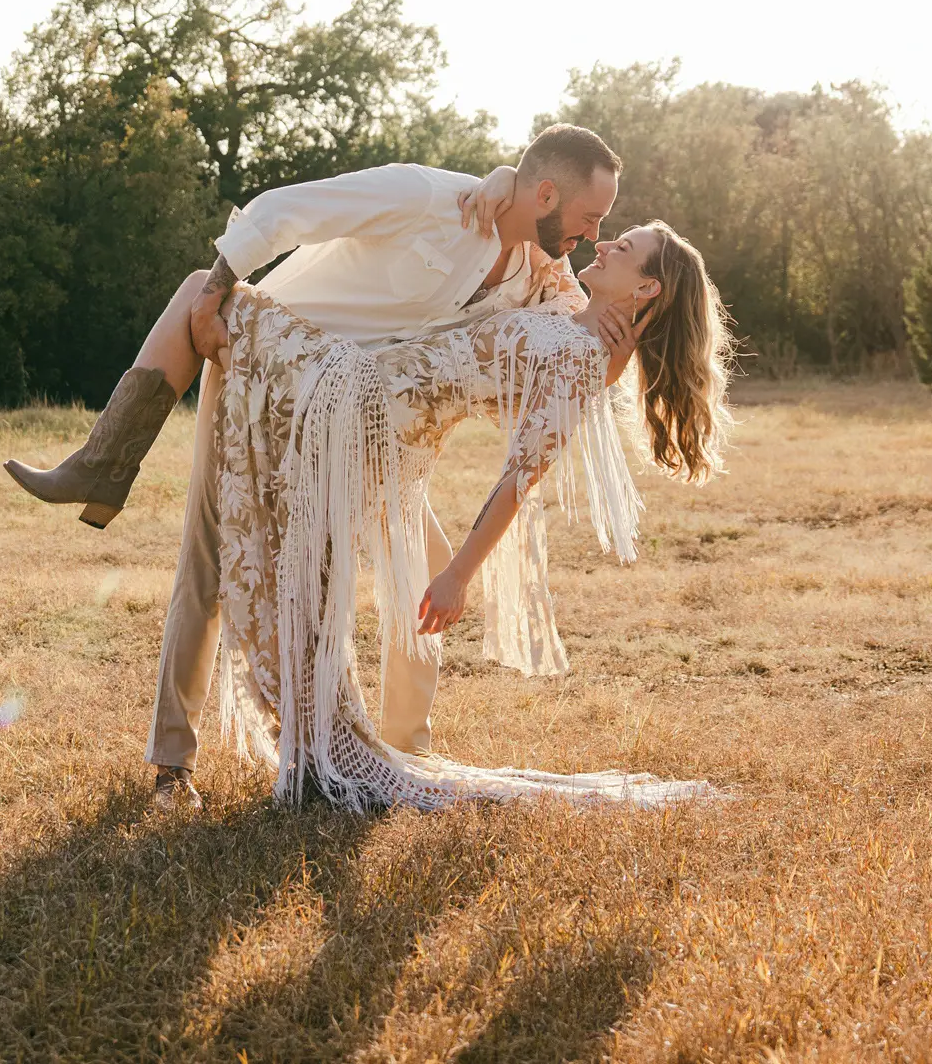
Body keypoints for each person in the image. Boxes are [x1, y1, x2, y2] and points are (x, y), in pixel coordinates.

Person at [4, 125, 635, 809]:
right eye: (589, 218)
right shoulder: (430, 198)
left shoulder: (539, 271)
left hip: (359, 425)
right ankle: (171, 765)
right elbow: (283, 210)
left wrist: (620, 347)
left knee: (426, 554)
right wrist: (217, 294)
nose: (593, 236)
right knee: (213, 561)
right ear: (544, 191)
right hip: (265, 372)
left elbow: (571, 357)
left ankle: (403, 748)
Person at [212, 221, 734, 809]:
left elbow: (519, 479)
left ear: (646, 290)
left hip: (371, 422)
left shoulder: (582, 361)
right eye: (615, 234)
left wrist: (458, 575)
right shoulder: (568, 307)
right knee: (292, 573)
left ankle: (323, 742)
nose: (607, 242)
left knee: (231, 307)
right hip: (372, 401)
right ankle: (320, 739)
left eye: (627, 249)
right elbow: (539, 227)